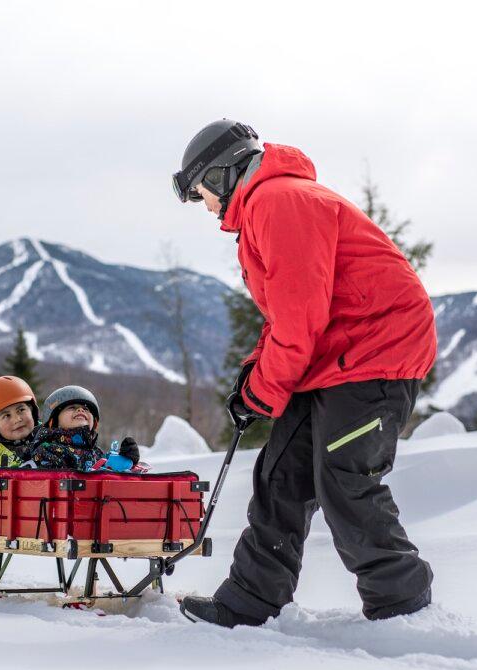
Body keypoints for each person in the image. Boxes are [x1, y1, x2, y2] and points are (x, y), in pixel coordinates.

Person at [171, 120, 438, 626]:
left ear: (222, 174)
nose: (206, 206)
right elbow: (286, 316)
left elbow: (299, 320)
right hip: (332, 359)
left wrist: (263, 392)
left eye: (202, 191)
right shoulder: (267, 205)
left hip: (374, 353)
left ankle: (403, 605)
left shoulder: (280, 202)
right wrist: (254, 379)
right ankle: (250, 601)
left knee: (343, 477)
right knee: (281, 478)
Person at [0, 379, 140, 473]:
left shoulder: (90, 448)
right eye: (6, 416)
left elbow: (96, 461)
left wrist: (125, 460)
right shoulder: (47, 447)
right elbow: (78, 465)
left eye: (21, 410)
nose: (17, 419)